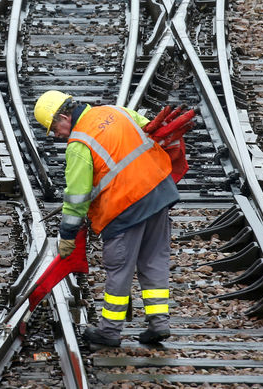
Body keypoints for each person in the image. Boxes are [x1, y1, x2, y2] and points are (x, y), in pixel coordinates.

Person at [33, 90, 183, 347]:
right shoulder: (116, 111)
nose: (56, 135)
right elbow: (151, 130)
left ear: (64, 116)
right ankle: (159, 323)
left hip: (126, 207)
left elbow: (76, 198)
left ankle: (109, 331)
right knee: (153, 261)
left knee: (119, 267)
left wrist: (68, 235)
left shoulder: (79, 143)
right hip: (159, 191)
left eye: (54, 127)